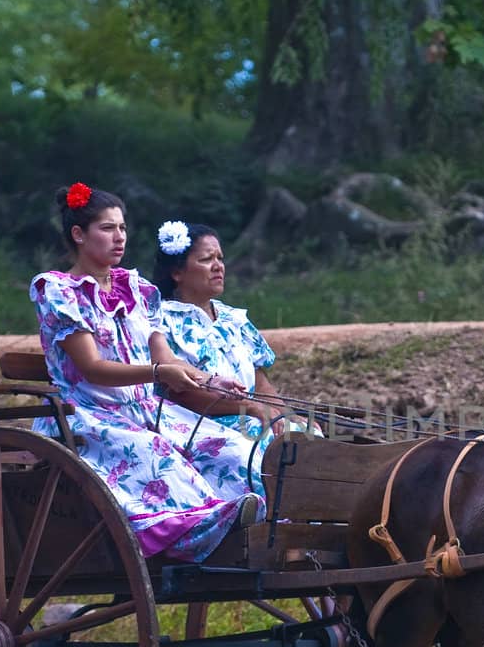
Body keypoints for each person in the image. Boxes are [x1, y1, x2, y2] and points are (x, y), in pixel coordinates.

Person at [28, 182, 263, 564]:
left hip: (148, 409)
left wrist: (209, 380)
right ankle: (194, 531)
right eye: (107, 228)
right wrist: (158, 373)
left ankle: (249, 521)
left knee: (231, 448)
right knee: (155, 452)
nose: (119, 237)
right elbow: (92, 368)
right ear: (78, 234)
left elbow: (166, 357)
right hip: (91, 414)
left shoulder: (138, 289)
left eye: (122, 228)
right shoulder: (58, 291)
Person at [152, 220, 320, 448]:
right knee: (257, 445)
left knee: (307, 434)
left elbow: (260, 383)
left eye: (219, 258)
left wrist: (284, 414)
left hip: (252, 414)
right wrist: (249, 408)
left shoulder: (234, 319)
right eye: (206, 259)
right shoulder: (161, 321)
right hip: (197, 423)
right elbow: (181, 393)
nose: (218, 266)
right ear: (177, 272)